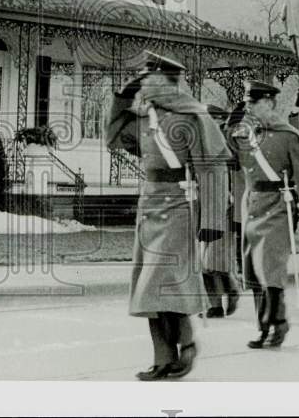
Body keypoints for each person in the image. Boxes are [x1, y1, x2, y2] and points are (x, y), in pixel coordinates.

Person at [105, 52, 230, 381]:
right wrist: (122, 97)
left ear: (167, 80)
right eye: (141, 77)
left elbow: (213, 169)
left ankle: (187, 342)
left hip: (178, 206)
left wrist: (213, 221)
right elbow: (113, 137)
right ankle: (163, 358)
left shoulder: (193, 117)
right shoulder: (145, 117)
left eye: (148, 76)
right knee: (148, 288)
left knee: (161, 283)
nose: (143, 81)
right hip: (150, 206)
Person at [228, 81, 299, 349]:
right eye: (246, 103)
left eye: (252, 103)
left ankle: (273, 325)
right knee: (255, 271)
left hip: (277, 206)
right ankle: (268, 325)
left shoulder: (287, 135)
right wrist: (232, 119)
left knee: (270, 269)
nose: (249, 108)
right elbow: (229, 151)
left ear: (268, 103)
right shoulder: (245, 134)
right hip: (252, 206)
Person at [201, 104, 241, 318]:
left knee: (214, 259)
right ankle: (214, 304)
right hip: (201, 203)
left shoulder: (228, 142)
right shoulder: (200, 141)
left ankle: (231, 288)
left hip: (223, 204)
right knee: (203, 261)